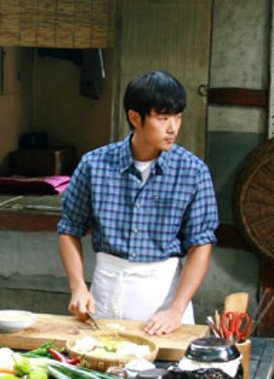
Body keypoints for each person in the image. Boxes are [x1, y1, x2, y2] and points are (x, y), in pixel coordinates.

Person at [56, 70, 219, 337]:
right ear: (135, 118)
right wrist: (78, 287)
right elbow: (69, 228)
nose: (173, 127)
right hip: (106, 291)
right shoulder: (94, 165)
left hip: (164, 298)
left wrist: (176, 310)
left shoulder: (193, 171)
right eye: (163, 118)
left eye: (177, 116)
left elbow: (201, 243)